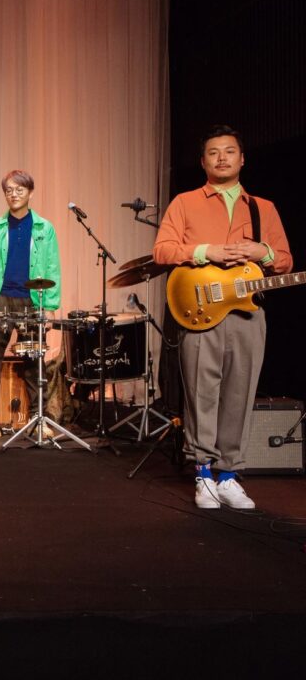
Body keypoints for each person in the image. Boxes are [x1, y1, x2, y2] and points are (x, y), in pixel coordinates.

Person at [153, 125, 292, 510]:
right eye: (213, 152)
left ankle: (230, 475)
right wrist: (206, 251)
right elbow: (162, 250)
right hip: (201, 310)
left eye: (229, 151)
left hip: (248, 313)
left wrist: (260, 250)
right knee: (201, 392)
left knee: (239, 392)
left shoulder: (262, 208)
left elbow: (284, 260)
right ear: (203, 161)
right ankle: (203, 474)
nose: (222, 158)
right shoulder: (185, 202)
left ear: (242, 158)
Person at [0, 170, 61, 438]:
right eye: (9, 190)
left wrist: (50, 305)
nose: (14, 194)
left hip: (33, 299)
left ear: (30, 193)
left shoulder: (44, 228)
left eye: (19, 189)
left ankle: (39, 416)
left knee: (34, 361)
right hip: (0, 297)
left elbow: (52, 267)